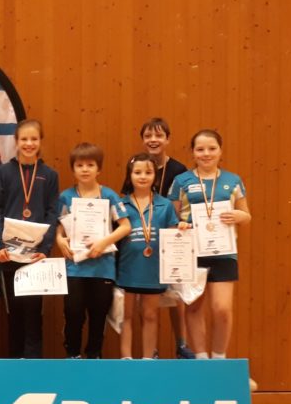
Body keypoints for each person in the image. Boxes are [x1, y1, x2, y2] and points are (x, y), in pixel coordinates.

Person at [169, 129, 253, 384]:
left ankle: (219, 359)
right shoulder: (182, 181)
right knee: (194, 307)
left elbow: (246, 215)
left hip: (224, 251)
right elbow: (172, 218)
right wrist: (180, 226)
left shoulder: (233, 180)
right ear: (193, 153)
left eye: (211, 148)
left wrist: (240, 217)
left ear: (220, 151)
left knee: (222, 309)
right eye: (200, 149)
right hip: (192, 251)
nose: (206, 154)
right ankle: (201, 360)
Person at [0, 119, 59, 358]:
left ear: (40, 142)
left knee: (34, 315)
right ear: (16, 141)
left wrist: (45, 248)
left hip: (36, 258)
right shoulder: (3, 173)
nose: (29, 143)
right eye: (24, 139)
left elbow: (52, 212)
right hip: (9, 256)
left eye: (34, 139)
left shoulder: (49, 175)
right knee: (13, 315)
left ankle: (34, 369)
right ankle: (14, 367)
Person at [121, 116, 192, 358]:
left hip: (167, 248)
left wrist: (181, 228)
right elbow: (121, 217)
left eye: (159, 135)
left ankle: (180, 344)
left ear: (167, 139)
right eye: (148, 135)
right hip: (135, 257)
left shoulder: (178, 171)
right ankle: (131, 357)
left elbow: (180, 211)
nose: (153, 139)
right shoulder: (131, 178)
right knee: (131, 312)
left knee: (171, 300)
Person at [55, 142, 131, 359]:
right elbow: (60, 228)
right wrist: (59, 240)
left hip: (103, 268)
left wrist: (103, 243)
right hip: (75, 268)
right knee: (73, 314)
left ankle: (94, 356)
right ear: (73, 169)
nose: (85, 169)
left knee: (98, 317)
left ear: (99, 169)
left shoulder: (109, 195)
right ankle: (72, 356)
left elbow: (125, 226)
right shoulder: (66, 197)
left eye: (90, 165)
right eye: (80, 165)